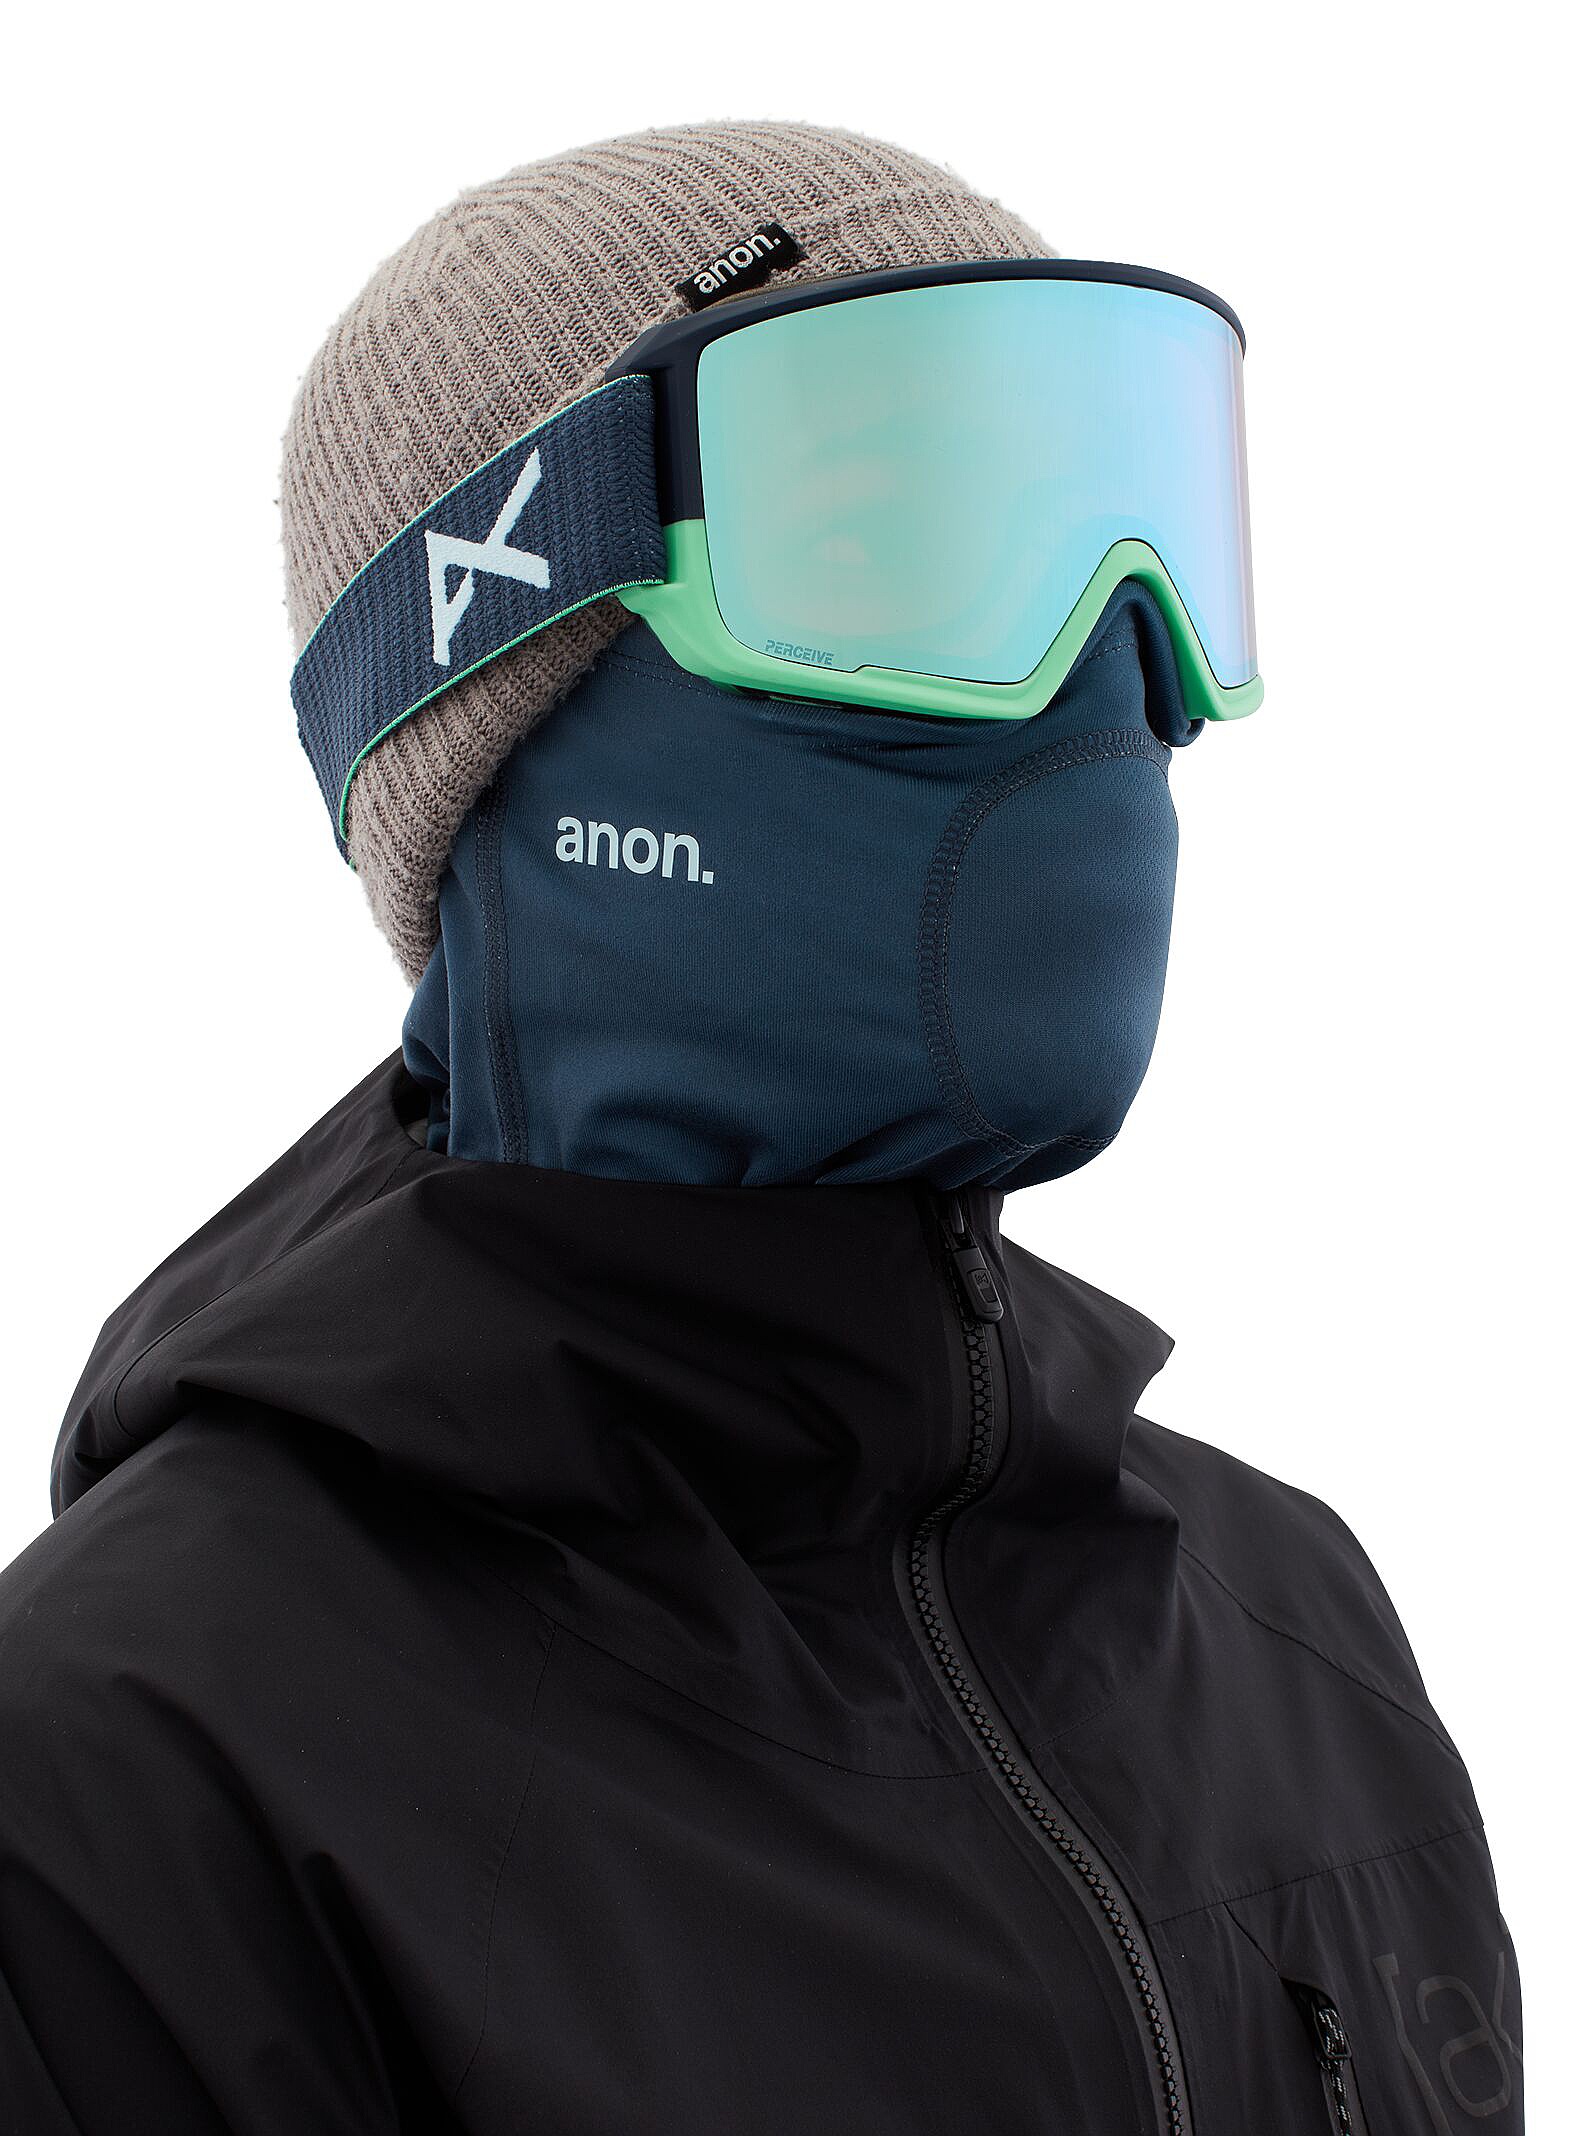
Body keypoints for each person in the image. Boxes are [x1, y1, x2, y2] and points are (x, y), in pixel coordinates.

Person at [0, 123, 1522, 2134]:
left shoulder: (1295, 1633)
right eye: (899, 544)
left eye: (1137, 531)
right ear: (489, 665)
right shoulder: (133, 1768)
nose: (1104, 667)